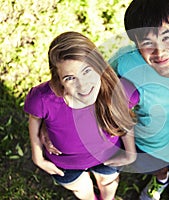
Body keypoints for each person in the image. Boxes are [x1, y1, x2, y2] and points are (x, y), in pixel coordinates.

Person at [108, 0, 169, 199]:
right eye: (147, 43)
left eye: (167, 37)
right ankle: (160, 179)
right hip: (147, 145)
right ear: (135, 43)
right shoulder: (124, 64)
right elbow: (94, 90)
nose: (159, 51)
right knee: (155, 168)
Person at [24, 31, 139, 200]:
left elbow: (125, 120)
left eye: (87, 71)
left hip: (108, 156)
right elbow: (34, 119)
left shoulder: (119, 91)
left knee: (108, 183)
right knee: (81, 189)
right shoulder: (42, 99)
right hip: (65, 163)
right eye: (70, 78)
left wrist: (130, 152)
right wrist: (37, 156)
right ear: (58, 80)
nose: (83, 85)